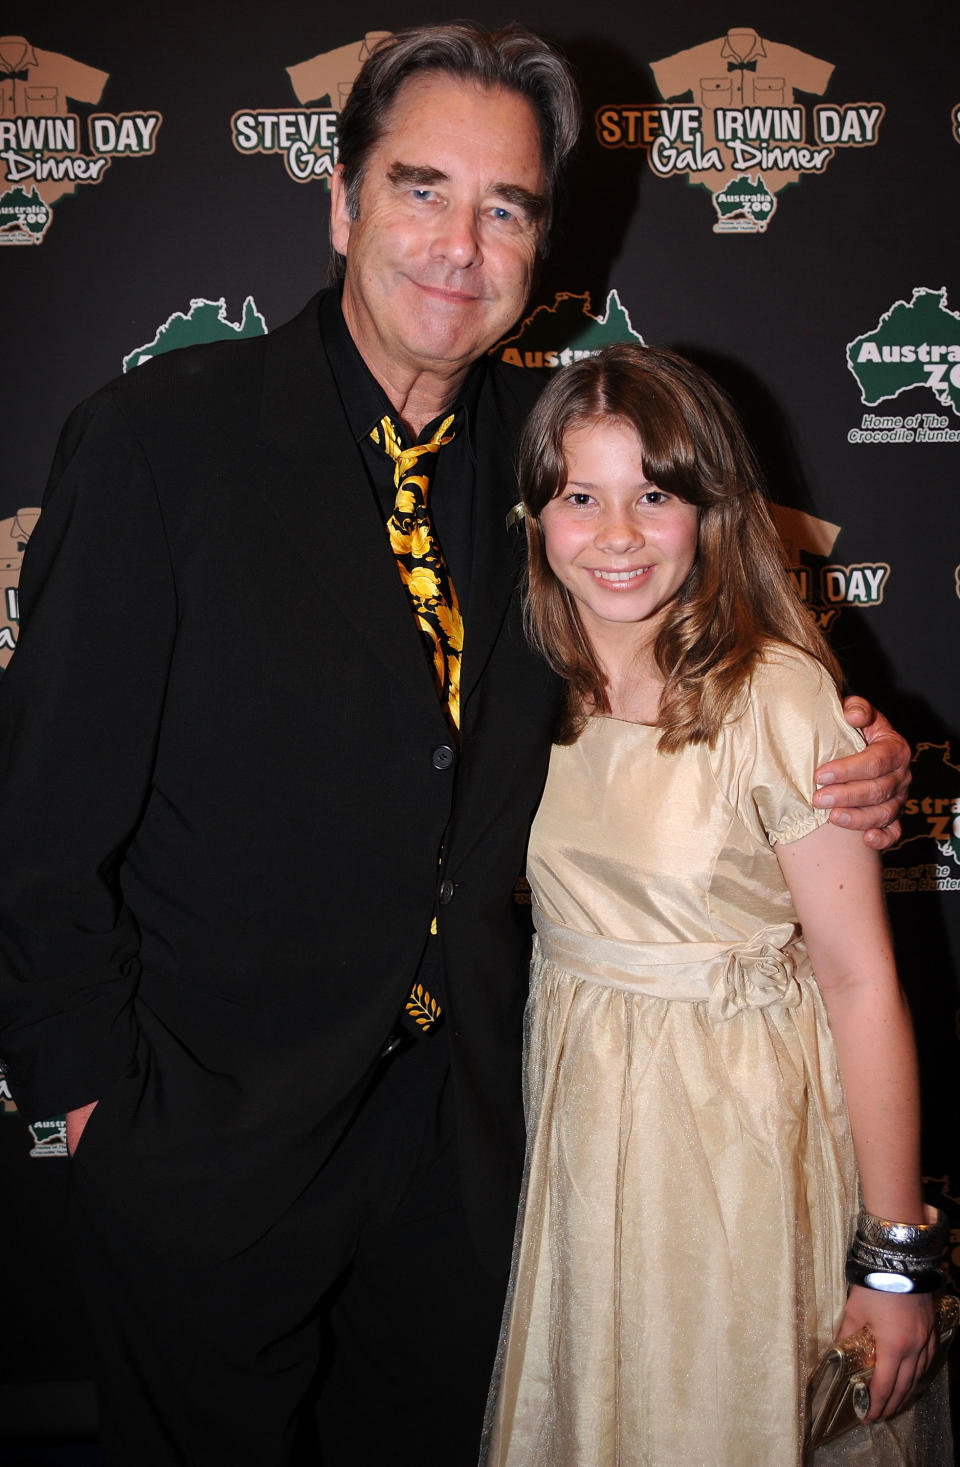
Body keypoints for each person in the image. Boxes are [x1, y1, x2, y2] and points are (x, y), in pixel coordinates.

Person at [0, 25, 911, 1467]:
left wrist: (845, 739)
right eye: (421, 189)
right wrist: (100, 1110)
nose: (460, 242)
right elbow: (38, 822)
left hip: (477, 1155)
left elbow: (687, 664)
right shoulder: (158, 442)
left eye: (507, 206)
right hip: (208, 1150)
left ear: (543, 241)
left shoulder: (552, 472)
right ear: (342, 204)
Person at [480, 344, 951, 1467]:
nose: (619, 535)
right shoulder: (522, 678)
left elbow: (861, 983)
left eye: (656, 495)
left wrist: (894, 1262)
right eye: (580, 498)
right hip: (584, 1137)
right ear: (535, 515)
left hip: (739, 1148)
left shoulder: (776, 695)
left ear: (712, 509)